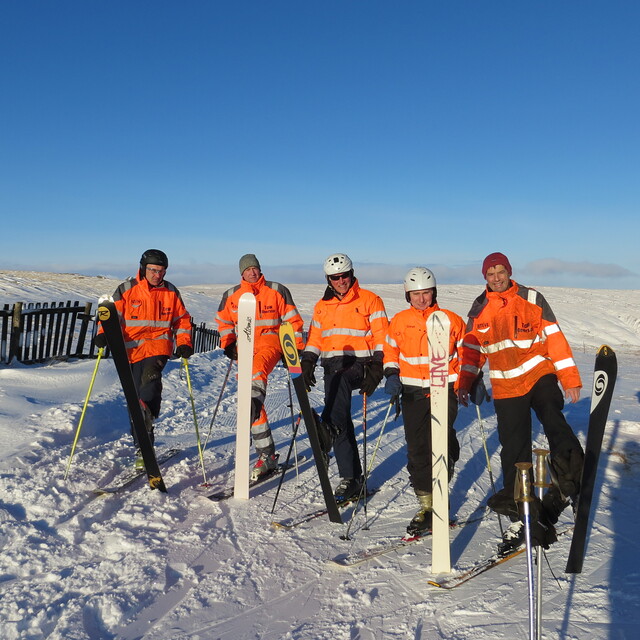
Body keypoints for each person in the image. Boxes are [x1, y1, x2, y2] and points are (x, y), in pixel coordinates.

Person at [457, 251, 584, 549]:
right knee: (514, 449)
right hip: (506, 387)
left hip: (539, 373)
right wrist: (467, 382)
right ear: (485, 277)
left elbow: (554, 337)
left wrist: (569, 378)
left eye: (501, 271)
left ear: (509, 272)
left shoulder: (532, 298)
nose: (497, 277)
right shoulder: (479, 310)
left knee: (552, 416)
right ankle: (520, 514)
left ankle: (574, 480)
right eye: (491, 273)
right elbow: (471, 352)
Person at [301, 253, 389, 504]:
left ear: (352, 274)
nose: (341, 281)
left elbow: (383, 334)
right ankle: (352, 478)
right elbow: (316, 338)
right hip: (333, 366)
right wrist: (308, 360)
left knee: (334, 412)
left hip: (360, 365)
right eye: (335, 277)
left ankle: (327, 432)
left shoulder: (370, 300)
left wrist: (379, 365)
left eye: (344, 276)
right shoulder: (321, 306)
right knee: (337, 416)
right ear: (328, 279)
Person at [383, 267, 465, 535]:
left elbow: (466, 353)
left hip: (445, 388)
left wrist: (468, 381)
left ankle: (444, 484)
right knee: (417, 448)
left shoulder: (451, 320)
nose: (421, 299)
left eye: (426, 293)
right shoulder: (399, 320)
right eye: (415, 294)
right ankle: (427, 505)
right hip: (412, 392)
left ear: (434, 292)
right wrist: (391, 374)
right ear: (408, 295)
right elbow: (390, 350)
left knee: (440, 441)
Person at [94, 249, 193, 467]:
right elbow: (110, 315)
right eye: (153, 270)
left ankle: (147, 414)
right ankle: (143, 447)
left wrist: (184, 343)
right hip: (130, 352)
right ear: (143, 268)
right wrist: (103, 334)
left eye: (161, 271)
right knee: (134, 398)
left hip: (158, 347)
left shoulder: (170, 291)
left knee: (151, 380)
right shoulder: (127, 290)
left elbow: (183, 320)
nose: (157, 275)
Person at [216, 254, 304, 481]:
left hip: (270, 341)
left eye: (255, 268)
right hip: (245, 347)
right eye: (248, 270)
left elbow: (292, 320)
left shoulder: (276, 290)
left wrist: (294, 350)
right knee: (250, 399)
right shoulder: (231, 295)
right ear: (241, 273)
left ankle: (252, 402)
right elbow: (224, 322)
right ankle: (267, 455)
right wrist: (228, 343)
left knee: (256, 374)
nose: (252, 273)